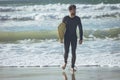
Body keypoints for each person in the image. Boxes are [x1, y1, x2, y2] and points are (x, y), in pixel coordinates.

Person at [61, 5, 83, 72]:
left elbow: (80, 29)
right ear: (70, 10)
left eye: (75, 9)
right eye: (73, 10)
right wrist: (61, 38)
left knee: (73, 52)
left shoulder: (77, 19)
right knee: (66, 51)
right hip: (66, 37)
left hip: (74, 37)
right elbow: (61, 29)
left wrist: (81, 38)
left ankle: (72, 66)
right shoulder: (65, 18)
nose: (75, 11)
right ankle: (65, 62)